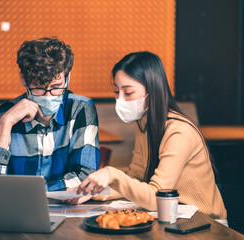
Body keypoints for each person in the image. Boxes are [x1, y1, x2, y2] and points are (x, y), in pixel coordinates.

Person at [74, 51, 227, 221]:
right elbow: (136, 180)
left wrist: (112, 174)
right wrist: (93, 192)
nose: (120, 100)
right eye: (117, 92)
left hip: (205, 224)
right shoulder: (143, 124)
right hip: (174, 216)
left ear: (152, 91)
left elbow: (156, 198)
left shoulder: (179, 132)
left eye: (128, 93)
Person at [0, 37, 99, 191]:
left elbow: (85, 176)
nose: (48, 96)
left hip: (64, 210)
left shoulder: (80, 108)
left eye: (56, 87)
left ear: (68, 78)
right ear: (23, 79)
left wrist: (34, 194)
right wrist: (5, 124)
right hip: (17, 212)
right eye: (39, 88)